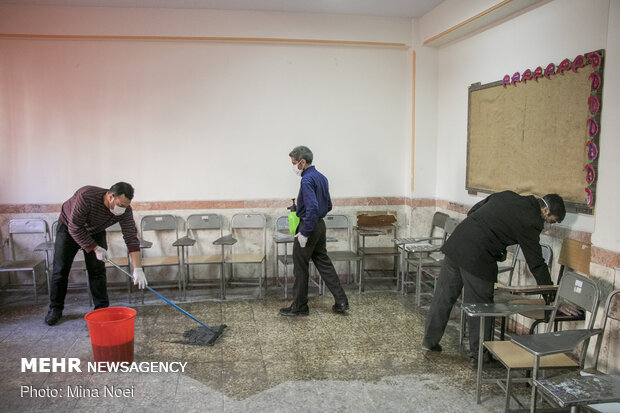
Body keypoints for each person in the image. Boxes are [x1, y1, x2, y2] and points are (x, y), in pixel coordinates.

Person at [421, 190, 565, 368]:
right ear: (546, 210)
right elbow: (536, 262)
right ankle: (481, 358)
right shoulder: (531, 221)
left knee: (443, 296)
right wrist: (549, 291)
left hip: (457, 243)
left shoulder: (508, 195)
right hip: (478, 257)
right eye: (552, 221)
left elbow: (473, 211)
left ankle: (429, 341)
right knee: (482, 308)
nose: (548, 225)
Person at [45, 182, 148, 326]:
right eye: (121, 205)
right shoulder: (86, 196)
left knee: (97, 269)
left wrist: (138, 268)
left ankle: (101, 309)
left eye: (126, 206)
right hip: (69, 228)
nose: (123, 209)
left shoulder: (125, 210)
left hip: (95, 230)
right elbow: (75, 228)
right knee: (61, 269)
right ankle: (55, 309)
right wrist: (95, 248)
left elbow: (131, 237)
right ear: (111, 196)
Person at [280, 146, 349, 316]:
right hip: (320, 226)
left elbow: (312, 207)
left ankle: (299, 306)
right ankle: (341, 301)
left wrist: (304, 232)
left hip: (308, 227)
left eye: (294, 163)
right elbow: (328, 206)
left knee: (300, 267)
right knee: (324, 263)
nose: (294, 167)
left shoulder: (306, 180)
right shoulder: (322, 178)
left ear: (302, 162)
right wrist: (300, 207)